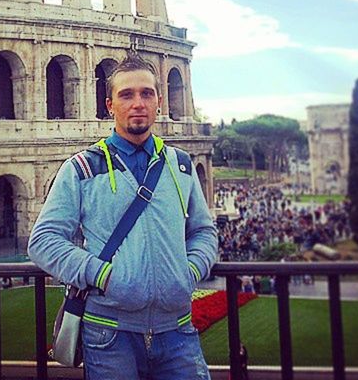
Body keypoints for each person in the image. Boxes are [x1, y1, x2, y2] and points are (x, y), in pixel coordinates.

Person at [28, 54, 217, 380]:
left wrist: (189, 272)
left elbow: (204, 230)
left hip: (177, 329)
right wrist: (102, 276)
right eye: (126, 95)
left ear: (159, 102)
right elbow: (43, 241)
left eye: (146, 93)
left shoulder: (180, 165)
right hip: (109, 332)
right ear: (109, 105)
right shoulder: (82, 169)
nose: (138, 103)